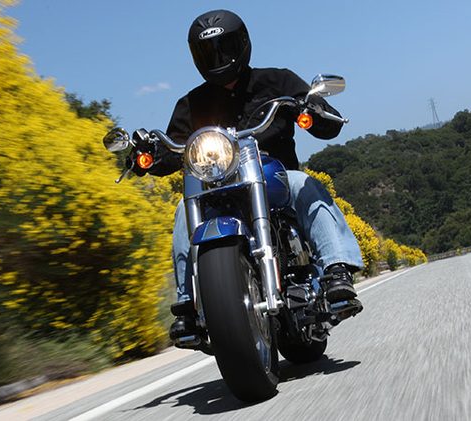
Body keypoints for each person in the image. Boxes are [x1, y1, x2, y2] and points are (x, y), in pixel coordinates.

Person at [138, 9, 365, 341]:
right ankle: (188, 304)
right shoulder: (191, 104)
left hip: (277, 178)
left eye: (224, 48)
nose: (218, 58)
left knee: (305, 184)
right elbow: (172, 148)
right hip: (218, 191)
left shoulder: (278, 82)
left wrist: (313, 110)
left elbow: (325, 123)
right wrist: (149, 153)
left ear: (242, 44)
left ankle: (336, 270)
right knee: (182, 213)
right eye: (208, 52)